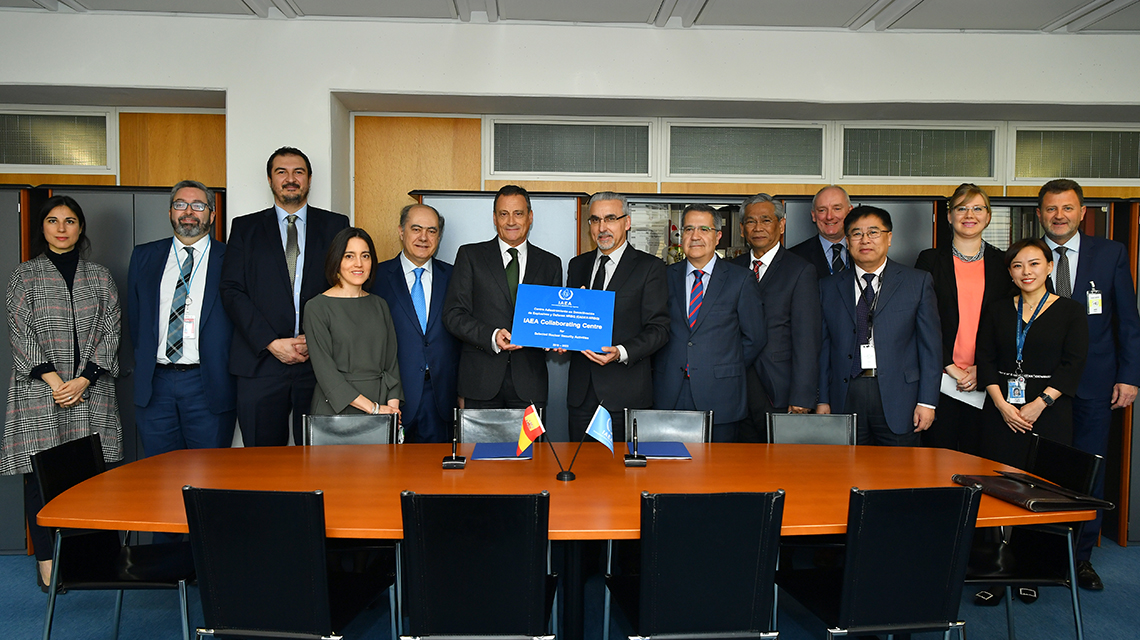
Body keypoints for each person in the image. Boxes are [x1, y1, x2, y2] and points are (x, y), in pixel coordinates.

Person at [3, 196, 122, 590]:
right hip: (41, 393)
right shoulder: (24, 276)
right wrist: (56, 382)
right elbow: (19, 333)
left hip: (90, 390)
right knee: (40, 479)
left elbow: (112, 330)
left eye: (70, 221)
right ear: (42, 227)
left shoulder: (100, 277)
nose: (61, 228)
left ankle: (91, 561)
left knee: (91, 478)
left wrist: (84, 379)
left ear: (80, 227)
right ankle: (48, 564)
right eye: (53, 220)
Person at [1036, 179, 1140, 590]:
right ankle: (1039, 555)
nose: (1059, 215)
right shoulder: (1028, 254)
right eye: (1051, 208)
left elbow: (1127, 320)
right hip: (1040, 388)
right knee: (1039, 471)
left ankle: (1079, 559)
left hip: (1095, 383)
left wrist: (1129, 376)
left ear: (1082, 212)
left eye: (1067, 208)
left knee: (1089, 472)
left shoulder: (1111, 253)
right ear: (1039, 214)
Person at [220, 147, 349, 446]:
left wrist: (315, 339)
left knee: (321, 457)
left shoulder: (336, 226)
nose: (290, 179)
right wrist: (271, 342)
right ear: (270, 180)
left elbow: (346, 287)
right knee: (263, 462)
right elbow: (231, 290)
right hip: (259, 363)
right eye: (282, 172)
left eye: (298, 172)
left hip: (320, 364)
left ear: (309, 179)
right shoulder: (245, 227)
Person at [127, 180, 236, 460]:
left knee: (209, 473)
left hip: (208, 384)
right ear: (170, 212)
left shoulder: (232, 258)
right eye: (180, 204)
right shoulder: (144, 256)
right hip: (156, 385)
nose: (188, 211)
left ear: (212, 214)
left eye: (198, 205)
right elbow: (136, 322)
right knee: (159, 472)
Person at [817, 205, 941, 446]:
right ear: (847, 241)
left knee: (899, 468)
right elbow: (823, 347)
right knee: (845, 465)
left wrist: (927, 402)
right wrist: (822, 399)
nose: (865, 240)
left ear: (889, 238)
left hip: (901, 398)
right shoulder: (828, 286)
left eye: (873, 232)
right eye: (856, 233)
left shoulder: (916, 282)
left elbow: (930, 349)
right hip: (846, 394)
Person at [442, 185, 562, 410]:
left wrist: (560, 336)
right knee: (479, 437)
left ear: (530, 217)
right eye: (503, 214)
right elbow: (453, 315)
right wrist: (492, 335)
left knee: (529, 437)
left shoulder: (550, 263)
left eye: (518, 213)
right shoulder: (471, 256)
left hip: (530, 384)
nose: (511, 221)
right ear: (494, 218)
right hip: (480, 381)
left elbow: (553, 319)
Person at [653, 205, 765, 442]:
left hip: (720, 393)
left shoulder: (740, 279)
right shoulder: (664, 276)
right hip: (670, 391)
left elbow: (754, 338)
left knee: (718, 464)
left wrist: (720, 367)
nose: (695, 236)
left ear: (718, 236)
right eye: (689, 229)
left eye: (704, 229)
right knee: (669, 463)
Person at [565, 192, 669, 443]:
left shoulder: (649, 267)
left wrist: (621, 352)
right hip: (581, 397)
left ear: (627, 222)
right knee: (580, 465)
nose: (602, 227)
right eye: (595, 220)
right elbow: (570, 321)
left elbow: (660, 329)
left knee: (623, 467)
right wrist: (561, 337)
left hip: (625, 395)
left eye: (610, 218)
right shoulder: (577, 265)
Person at [914, 183, 1010, 455]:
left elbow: (1009, 324)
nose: (970, 215)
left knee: (980, 460)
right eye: (961, 208)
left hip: (987, 382)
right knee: (935, 459)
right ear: (949, 215)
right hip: (940, 380)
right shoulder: (930, 260)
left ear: (988, 216)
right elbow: (921, 320)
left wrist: (983, 369)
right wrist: (949, 366)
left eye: (978, 208)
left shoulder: (1003, 263)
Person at [976, 238, 1087, 468]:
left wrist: (1040, 403)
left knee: (1046, 476)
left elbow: (1073, 364)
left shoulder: (1071, 311)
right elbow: (985, 359)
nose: (1026, 272)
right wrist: (1001, 405)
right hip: (1001, 408)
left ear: (1049, 266)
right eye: (1017, 265)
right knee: (997, 478)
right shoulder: (997, 309)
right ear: (1010, 272)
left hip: (1050, 410)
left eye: (1034, 264)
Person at [730, 194, 820, 442]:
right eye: (751, 221)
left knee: (779, 460)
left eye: (766, 220)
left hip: (780, 388)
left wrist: (802, 396)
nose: (758, 227)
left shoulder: (800, 270)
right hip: (736, 386)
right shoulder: (731, 268)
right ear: (742, 229)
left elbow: (807, 338)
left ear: (781, 225)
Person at [371, 204, 459, 442]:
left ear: (439, 236)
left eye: (432, 231)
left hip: (441, 398)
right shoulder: (376, 277)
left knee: (439, 465)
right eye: (416, 229)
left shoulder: (455, 277)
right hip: (392, 396)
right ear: (401, 231)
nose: (423, 237)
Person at [305, 227, 402, 418]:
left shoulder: (380, 304)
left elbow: (391, 364)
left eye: (365, 256)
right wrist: (373, 408)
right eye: (349, 256)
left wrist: (392, 410)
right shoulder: (316, 307)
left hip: (381, 407)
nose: (359, 263)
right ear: (336, 261)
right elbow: (326, 373)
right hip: (336, 410)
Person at [790, 185, 853, 279]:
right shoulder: (794, 257)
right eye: (822, 210)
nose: (829, 216)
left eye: (837, 209)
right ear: (813, 215)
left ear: (849, 212)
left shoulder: (865, 250)